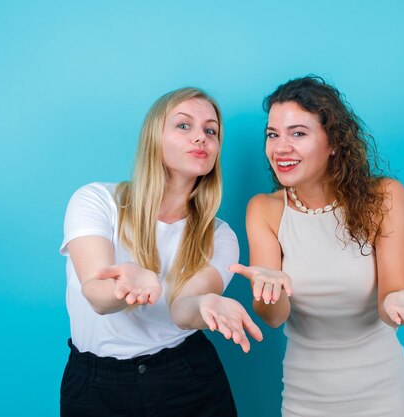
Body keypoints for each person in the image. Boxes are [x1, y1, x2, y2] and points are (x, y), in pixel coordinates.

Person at [230, 76, 404, 417]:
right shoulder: (264, 210)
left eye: (298, 133)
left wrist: (399, 300)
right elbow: (273, 318)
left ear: (333, 142)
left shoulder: (384, 197)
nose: (280, 147)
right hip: (305, 396)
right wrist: (266, 290)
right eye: (273, 135)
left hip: (383, 393)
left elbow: (389, 302)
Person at [59, 87, 263, 417]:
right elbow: (96, 295)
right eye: (184, 125)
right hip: (97, 389)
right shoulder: (96, 201)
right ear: (155, 137)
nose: (201, 137)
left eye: (210, 131)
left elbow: (183, 312)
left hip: (187, 378)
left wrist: (207, 303)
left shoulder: (220, 236)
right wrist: (128, 286)